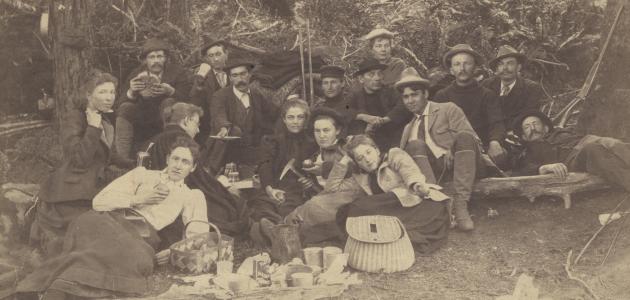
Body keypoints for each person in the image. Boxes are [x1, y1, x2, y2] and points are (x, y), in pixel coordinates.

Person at [17, 138, 209, 299]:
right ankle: (65, 287)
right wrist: (139, 199)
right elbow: (99, 202)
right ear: (167, 159)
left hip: (139, 233)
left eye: (185, 162)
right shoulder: (142, 175)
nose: (178, 165)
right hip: (106, 219)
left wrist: (174, 251)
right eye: (175, 158)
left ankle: (62, 287)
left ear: (193, 168)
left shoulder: (192, 195)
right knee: (100, 239)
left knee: (133, 256)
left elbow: (199, 233)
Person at [144, 102, 265, 247]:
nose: (198, 130)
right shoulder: (183, 142)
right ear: (186, 120)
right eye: (196, 123)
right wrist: (223, 188)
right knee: (234, 206)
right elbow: (200, 180)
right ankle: (259, 230)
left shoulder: (155, 139)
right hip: (183, 196)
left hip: (155, 196)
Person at [30, 69, 120, 256]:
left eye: (112, 92)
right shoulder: (75, 118)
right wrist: (93, 128)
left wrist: (138, 162)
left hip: (94, 186)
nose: (109, 97)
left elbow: (107, 156)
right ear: (88, 94)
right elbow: (79, 160)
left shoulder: (105, 120)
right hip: (71, 193)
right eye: (102, 92)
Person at [396, 67, 495, 231]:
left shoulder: (447, 109)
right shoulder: (408, 128)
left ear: (425, 94)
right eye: (405, 97)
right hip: (436, 174)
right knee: (414, 145)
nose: (410, 100)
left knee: (463, 137)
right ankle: (436, 203)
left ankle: (461, 206)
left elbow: (473, 140)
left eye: (414, 94)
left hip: (465, 164)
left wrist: (452, 147)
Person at [330, 135, 450, 253]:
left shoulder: (393, 155)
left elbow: (409, 170)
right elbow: (332, 188)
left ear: (376, 150)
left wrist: (416, 184)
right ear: (356, 162)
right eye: (360, 158)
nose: (367, 159)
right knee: (344, 212)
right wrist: (344, 161)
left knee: (359, 206)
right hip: (394, 212)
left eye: (368, 152)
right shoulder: (360, 177)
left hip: (418, 204)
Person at [115, 38, 191, 166]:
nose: (156, 61)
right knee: (125, 108)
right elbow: (119, 103)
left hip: (167, 118)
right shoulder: (136, 73)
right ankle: (122, 159)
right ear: (145, 60)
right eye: (151, 57)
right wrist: (131, 92)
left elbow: (188, 99)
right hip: (143, 118)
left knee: (169, 102)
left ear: (165, 58)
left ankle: (170, 154)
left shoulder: (177, 72)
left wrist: (171, 91)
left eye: (159, 56)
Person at [514, 111, 630, 193]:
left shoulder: (563, 133)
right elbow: (521, 170)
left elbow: (584, 134)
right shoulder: (527, 151)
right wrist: (544, 167)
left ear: (546, 128)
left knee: (616, 145)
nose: (533, 128)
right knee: (593, 149)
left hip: (589, 143)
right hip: (572, 160)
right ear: (524, 136)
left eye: (535, 124)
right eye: (527, 127)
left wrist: (605, 141)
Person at [249, 99, 319, 232]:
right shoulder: (271, 141)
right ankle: (275, 227)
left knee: (288, 209)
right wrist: (271, 190)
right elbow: (265, 165)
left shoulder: (312, 144)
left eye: (300, 117)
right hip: (273, 188)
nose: (295, 121)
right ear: (284, 119)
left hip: (297, 191)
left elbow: (315, 171)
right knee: (261, 207)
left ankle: (275, 229)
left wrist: (309, 182)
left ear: (306, 120)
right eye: (290, 117)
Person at [432, 44, 507, 166]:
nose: (462, 68)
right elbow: (436, 128)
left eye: (467, 63)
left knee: (501, 157)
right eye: (457, 64)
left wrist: (495, 142)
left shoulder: (487, 95)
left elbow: (497, 123)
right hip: (452, 149)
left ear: (475, 68)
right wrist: (447, 148)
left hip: (482, 148)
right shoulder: (442, 96)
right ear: (451, 70)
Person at [204, 54, 278, 175]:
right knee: (234, 131)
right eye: (235, 75)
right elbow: (218, 115)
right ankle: (210, 172)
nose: (240, 79)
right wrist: (224, 127)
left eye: (243, 74)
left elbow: (275, 112)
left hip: (250, 150)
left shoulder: (256, 95)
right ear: (230, 78)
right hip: (226, 151)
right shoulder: (220, 96)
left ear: (249, 75)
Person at [346, 57, 412, 151]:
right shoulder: (356, 96)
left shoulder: (390, 91)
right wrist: (364, 117)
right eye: (371, 74)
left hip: (393, 138)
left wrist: (382, 120)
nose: (377, 78)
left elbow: (402, 106)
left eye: (379, 73)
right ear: (361, 79)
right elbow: (345, 108)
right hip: (368, 142)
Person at [482, 45, 544, 131]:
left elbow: (527, 117)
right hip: (490, 134)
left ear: (518, 67)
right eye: (501, 64)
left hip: (517, 134)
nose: (505, 68)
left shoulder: (531, 88)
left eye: (510, 63)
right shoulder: (487, 85)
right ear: (497, 68)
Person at [190, 39, 231, 145]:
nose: (216, 59)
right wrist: (200, 77)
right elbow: (194, 102)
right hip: (209, 124)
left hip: (233, 120)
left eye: (218, 54)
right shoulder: (202, 76)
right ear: (207, 59)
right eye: (211, 56)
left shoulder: (234, 73)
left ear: (226, 54)